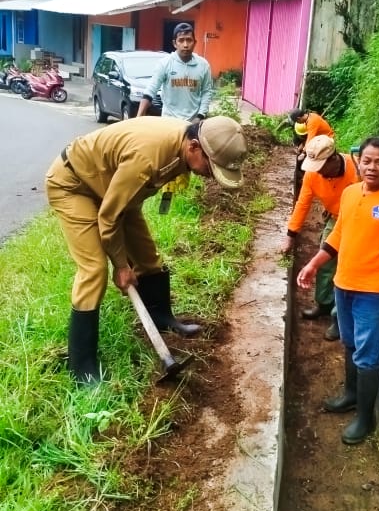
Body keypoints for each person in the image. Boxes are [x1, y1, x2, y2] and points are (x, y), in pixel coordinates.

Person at [45, 115, 247, 386]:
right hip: (74, 184)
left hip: (113, 189)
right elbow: (109, 218)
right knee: (94, 269)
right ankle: (81, 366)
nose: (211, 175)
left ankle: (162, 317)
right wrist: (120, 265)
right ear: (195, 147)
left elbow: (122, 202)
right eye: (212, 167)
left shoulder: (182, 144)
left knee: (148, 257)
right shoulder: (149, 158)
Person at [297, 136, 379, 445]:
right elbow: (339, 234)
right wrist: (314, 264)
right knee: (350, 342)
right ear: (358, 161)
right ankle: (351, 395)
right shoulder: (352, 193)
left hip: (373, 290)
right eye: (367, 161)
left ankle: (365, 418)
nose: (372, 167)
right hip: (344, 283)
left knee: (367, 354)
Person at [280, 135, 359, 341]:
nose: (318, 172)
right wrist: (291, 234)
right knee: (325, 262)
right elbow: (302, 204)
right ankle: (324, 303)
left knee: (347, 268)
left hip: (359, 220)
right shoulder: (312, 175)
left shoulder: (357, 171)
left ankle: (339, 319)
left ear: (333, 159)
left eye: (321, 166)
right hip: (336, 219)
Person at [137, 22, 213, 122]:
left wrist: (200, 116)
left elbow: (206, 92)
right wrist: (138, 117)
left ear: (195, 42)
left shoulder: (203, 65)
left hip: (193, 123)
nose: (185, 45)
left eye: (189, 40)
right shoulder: (165, 64)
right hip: (169, 122)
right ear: (174, 43)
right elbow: (150, 91)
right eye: (181, 40)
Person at [287, 107, 334, 197]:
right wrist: (302, 147)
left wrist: (303, 153)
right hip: (320, 139)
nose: (298, 123)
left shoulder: (312, 123)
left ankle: (314, 182)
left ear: (298, 119)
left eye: (297, 122)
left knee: (312, 159)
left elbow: (310, 140)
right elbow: (309, 138)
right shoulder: (311, 116)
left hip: (327, 141)